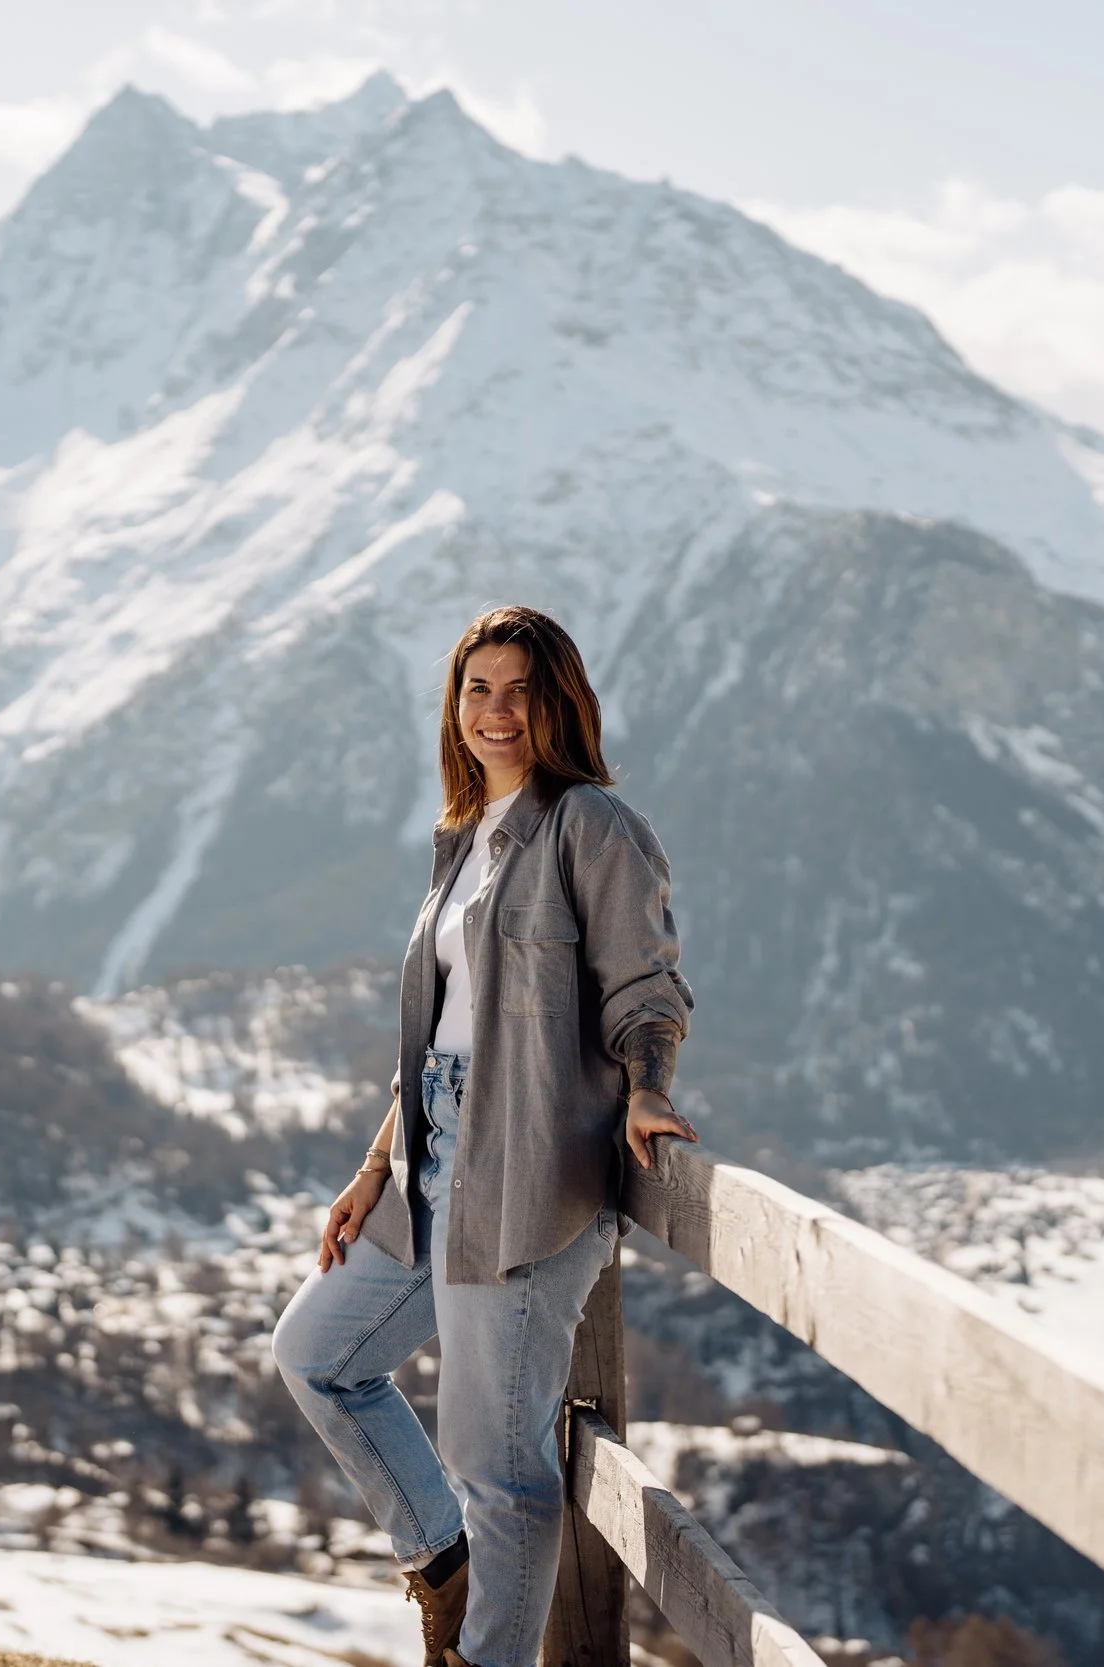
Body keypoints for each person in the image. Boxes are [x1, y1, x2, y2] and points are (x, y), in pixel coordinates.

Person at [271, 605, 697, 1667]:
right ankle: (441, 1565)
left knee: (498, 1465)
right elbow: (445, 1027)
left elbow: (647, 987)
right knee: (316, 1352)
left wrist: (646, 1085)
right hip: (431, 1156)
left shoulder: (592, 824)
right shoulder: (461, 835)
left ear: (559, 702)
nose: (496, 712)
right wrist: (377, 1163)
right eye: (477, 689)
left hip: (528, 1165)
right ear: (453, 704)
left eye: (519, 691)